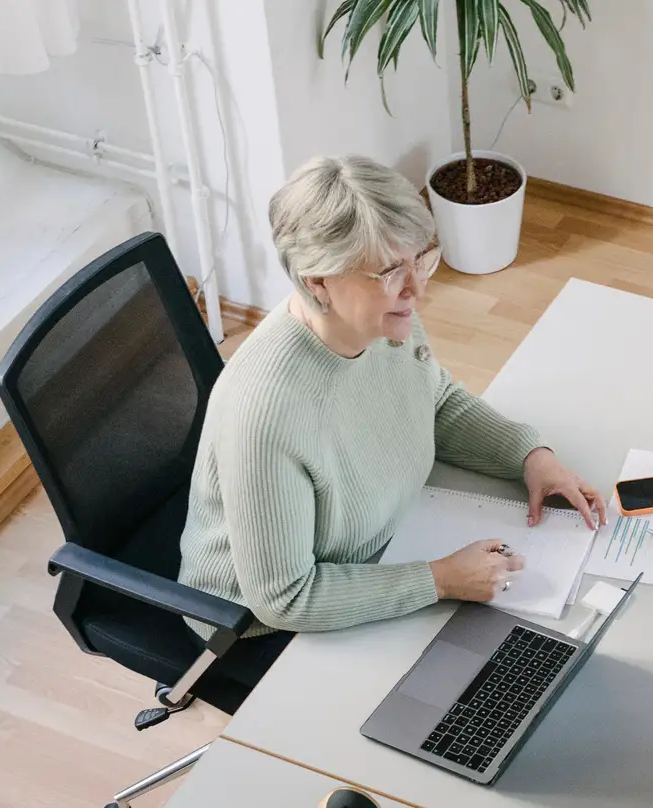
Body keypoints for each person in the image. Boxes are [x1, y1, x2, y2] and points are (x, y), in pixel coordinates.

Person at [177, 154, 605, 650]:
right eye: (389, 272)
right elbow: (286, 597)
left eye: (421, 260)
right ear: (318, 281)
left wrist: (529, 456)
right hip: (269, 630)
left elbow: (434, 400)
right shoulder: (265, 414)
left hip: (389, 546)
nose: (418, 289)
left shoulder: (384, 323)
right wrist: (440, 579)